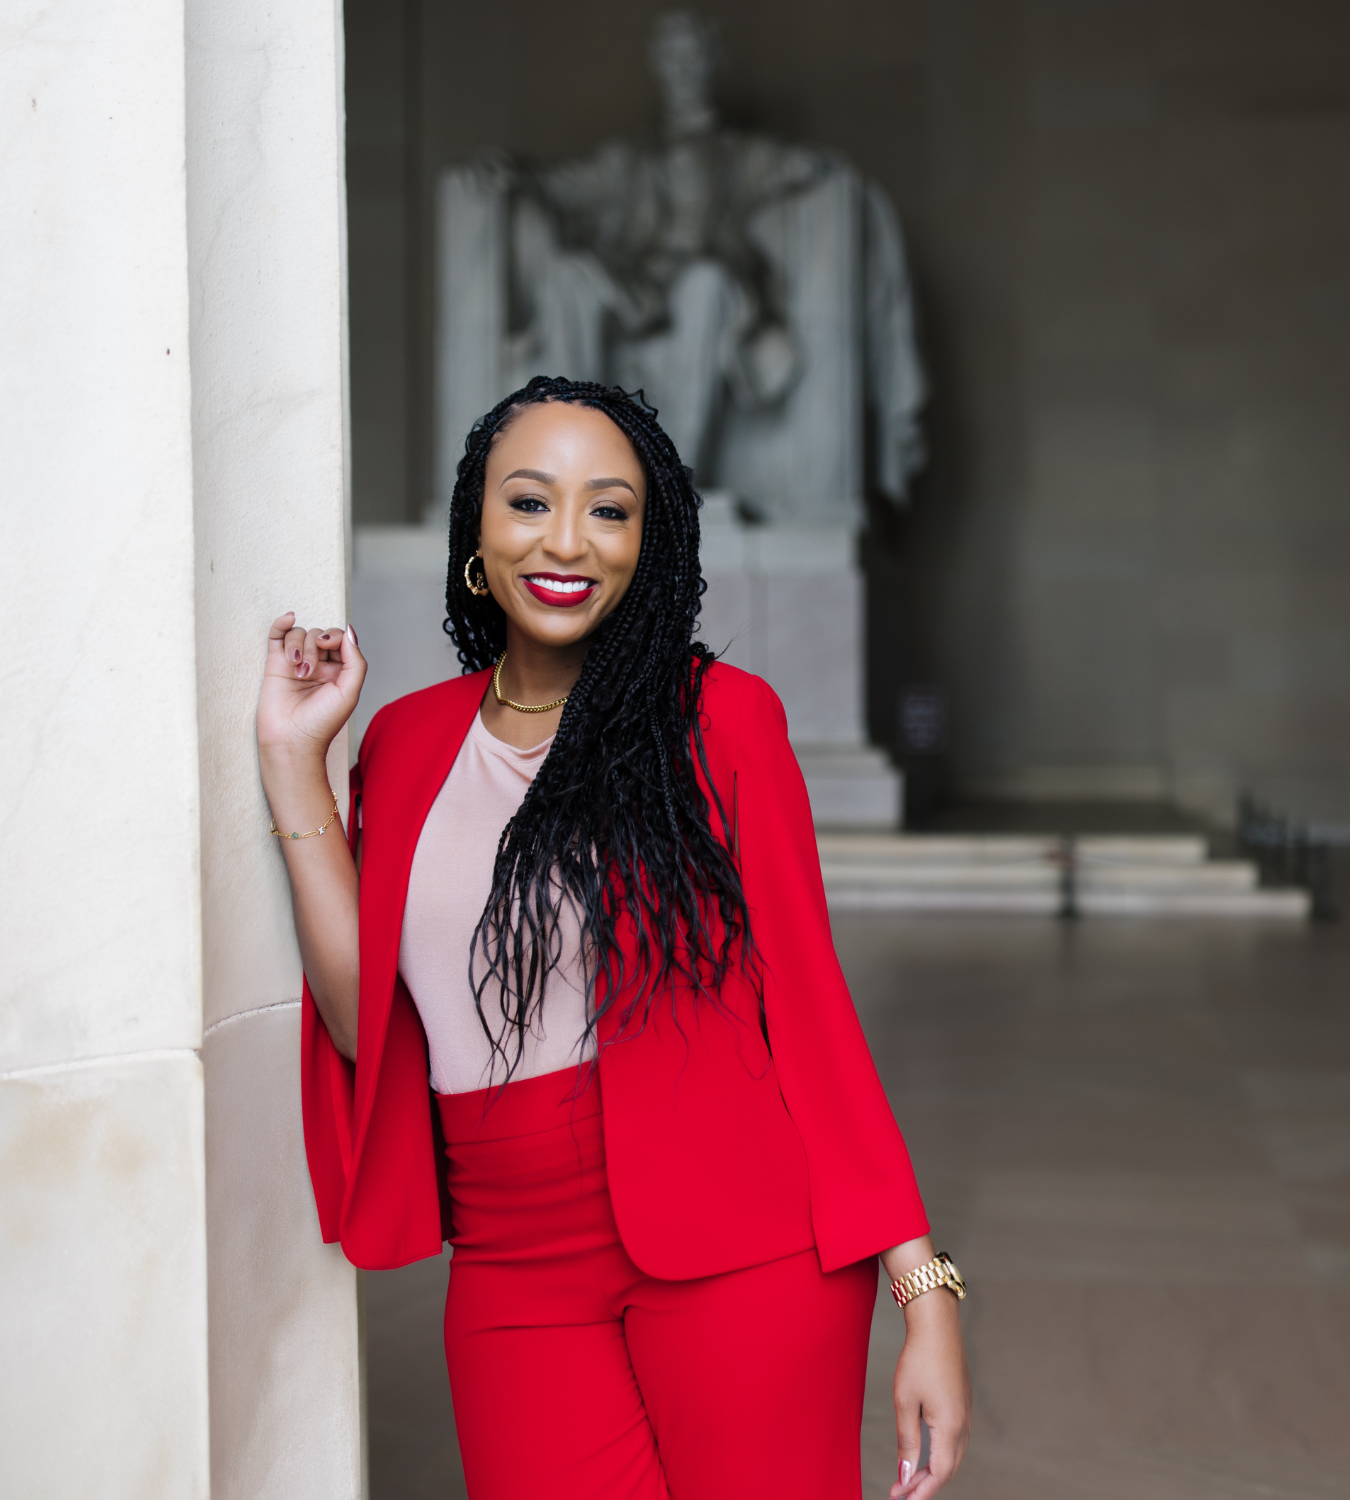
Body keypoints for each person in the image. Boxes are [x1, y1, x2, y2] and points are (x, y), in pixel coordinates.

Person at [257, 376, 970, 1500]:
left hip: (743, 1246)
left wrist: (922, 1287)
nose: (569, 541)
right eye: (531, 502)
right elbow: (365, 1021)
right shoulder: (401, 744)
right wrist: (296, 763)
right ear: (475, 540)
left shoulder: (724, 719)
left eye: (610, 509)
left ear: (650, 543)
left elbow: (811, 1006)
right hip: (509, 1262)